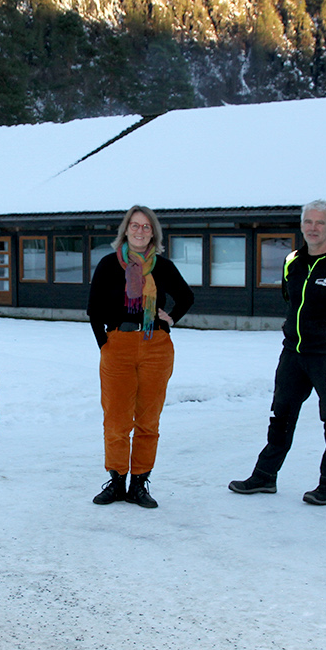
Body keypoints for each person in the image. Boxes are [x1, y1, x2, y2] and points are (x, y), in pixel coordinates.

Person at [229, 200, 326, 505]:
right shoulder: (292, 260)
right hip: (293, 354)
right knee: (280, 416)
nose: (313, 228)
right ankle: (265, 476)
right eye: (308, 221)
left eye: (320, 223)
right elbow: (290, 299)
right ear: (302, 225)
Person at [87, 205, 194, 508]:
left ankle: (139, 484)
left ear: (153, 233)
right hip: (118, 344)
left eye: (146, 227)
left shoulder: (162, 266)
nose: (140, 231)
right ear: (126, 229)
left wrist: (170, 318)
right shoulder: (109, 264)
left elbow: (186, 296)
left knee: (148, 420)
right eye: (135, 225)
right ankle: (117, 481)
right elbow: (93, 309)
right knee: (117, 419)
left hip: (155, 345)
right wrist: (105, 344)